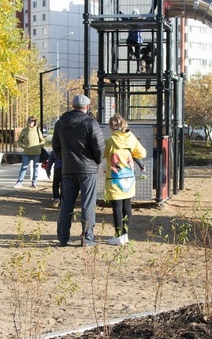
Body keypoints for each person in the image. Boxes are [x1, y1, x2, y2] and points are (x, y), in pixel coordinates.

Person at [52, 94, 105, 247]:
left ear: (73, 105)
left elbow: (55, 145)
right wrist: (97, 160)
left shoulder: (60, 123)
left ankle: (63, 238)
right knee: (88, 204)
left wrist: (64, 158)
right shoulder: (91, 123)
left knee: (66, 203)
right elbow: (99, 147)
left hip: (68, 168)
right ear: (87, 107)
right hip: (87, 169)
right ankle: (87, 238)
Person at [103, 115, 147, 246]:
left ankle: (118, 236)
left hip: (114, 179)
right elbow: (142, 153)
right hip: (129, 178)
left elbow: (101, 154)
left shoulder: (110, 141)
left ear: (111, 126)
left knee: (117, 207)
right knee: (127, 206)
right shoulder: (131, 138)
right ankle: (125, 235)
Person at [14, 116, 44, 188]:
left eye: (33, 121)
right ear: (28, 122)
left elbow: (42, 140)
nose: (31, 122)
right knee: (24, 167)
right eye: (30, 121)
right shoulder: (24, 130)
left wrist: (39, 146)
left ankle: (34, 182)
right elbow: (19, 141)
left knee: (35, 168)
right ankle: (19, 182)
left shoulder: (37, 130)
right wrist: (24, 146)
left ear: (35, 122)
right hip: (27, 152)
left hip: (36, 152)